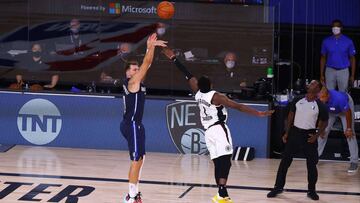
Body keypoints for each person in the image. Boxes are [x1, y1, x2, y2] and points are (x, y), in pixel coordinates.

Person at [162, 47, 273, 203]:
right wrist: (258, 113)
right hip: (218, 129)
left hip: (207, 132)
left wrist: (174, 58)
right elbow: (239, 107)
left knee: (217, 162)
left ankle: (221, 194)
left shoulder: (197, 93)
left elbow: (187, 73)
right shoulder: (216, 97)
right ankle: (222, 193)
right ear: (211, 84)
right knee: (226, 160)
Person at [121, 33, 167, 203]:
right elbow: (146, 64)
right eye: (133, 69)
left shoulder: (137, 82)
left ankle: (134, 193)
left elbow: (147, 65)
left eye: (136, 69)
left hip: (136, 124)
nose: (137, 70)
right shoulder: (132, 83)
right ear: (128, 74)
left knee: (140, 159)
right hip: (131, 124)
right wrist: (151, 47)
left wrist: (149, 48)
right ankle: (131, 197)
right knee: (135, 160)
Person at [267, 80, 328, 201]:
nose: (310, 84)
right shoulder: (297, 99)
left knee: (311, 165)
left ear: (317, 90)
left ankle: (311, 190)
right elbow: (290, 116)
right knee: (284, 162)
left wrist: (316, 136)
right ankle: (278, 187)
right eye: (310, 83)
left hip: (309, 135)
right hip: (294, 133)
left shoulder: (320, 105)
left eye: (313, 84)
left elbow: (325, 122)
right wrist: (287, 132)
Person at [318, 87, 358, 172]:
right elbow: (321, 114)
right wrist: (320, 128)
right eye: (320, 98)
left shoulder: (340, 98)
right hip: (331, 112)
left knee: (349, 134)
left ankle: (354, 162)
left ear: (328, 95)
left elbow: (348, 112)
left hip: (345, 111)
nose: (321, 100)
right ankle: (315, 156)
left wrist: (349, 128)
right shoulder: (321, 99)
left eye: (322, 98)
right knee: (322, 132)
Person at [320, 19, 356, 91]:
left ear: (341, 28)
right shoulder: (326, 41)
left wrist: (352, 75)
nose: (335, 28)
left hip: (343, 71)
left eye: (337, 26)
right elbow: (323, 58)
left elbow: (352, 58)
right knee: (330, 93)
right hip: (330, 70)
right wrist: (321, 74)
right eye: (333, 26)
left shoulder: (348, 41)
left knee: (343, 93)